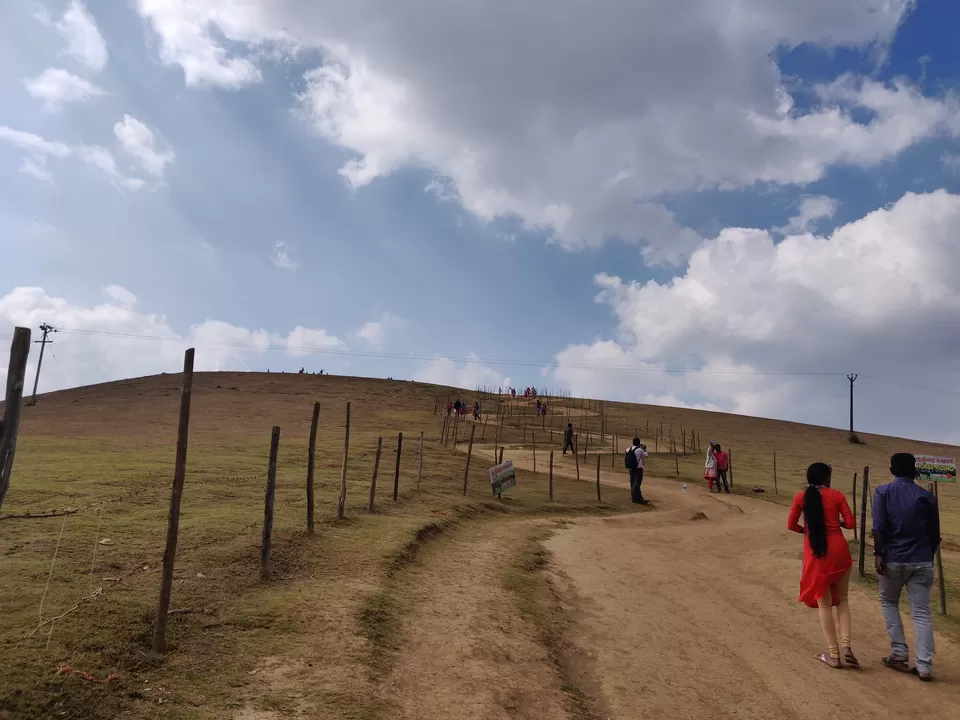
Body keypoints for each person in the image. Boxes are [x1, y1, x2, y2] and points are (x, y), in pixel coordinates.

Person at [873, 453, 941, 681]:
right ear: (915, 471)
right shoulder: (927, 497)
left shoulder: (883, 492)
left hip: (893, 557)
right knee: (922, 613)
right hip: (921, 559)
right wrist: (926, 556)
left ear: (892, 470)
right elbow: (935, 534)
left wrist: (878, 554)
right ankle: (924, 666)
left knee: (889, 601)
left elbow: (879, 527)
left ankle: (899, 652)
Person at [787, 462, 857, 669]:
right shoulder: (836, 495)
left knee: (824, 604)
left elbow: (791, 524)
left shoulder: (801, 497)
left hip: (816, 553)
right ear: (827, 478)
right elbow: (851, 523)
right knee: (843, 600)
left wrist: (806, 532)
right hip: (839, 552)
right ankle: (846, 646)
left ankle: (833, 655)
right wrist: (837, 524)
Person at [625, 437, 649, 504]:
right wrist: (644, 449)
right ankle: (636, 499)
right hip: (638, 468)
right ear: (638, 443)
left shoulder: (628, 449)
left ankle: (635, 497)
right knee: (637, 483)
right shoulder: (639, 450)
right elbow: (646, 455)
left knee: (633, 482)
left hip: (631, 468)